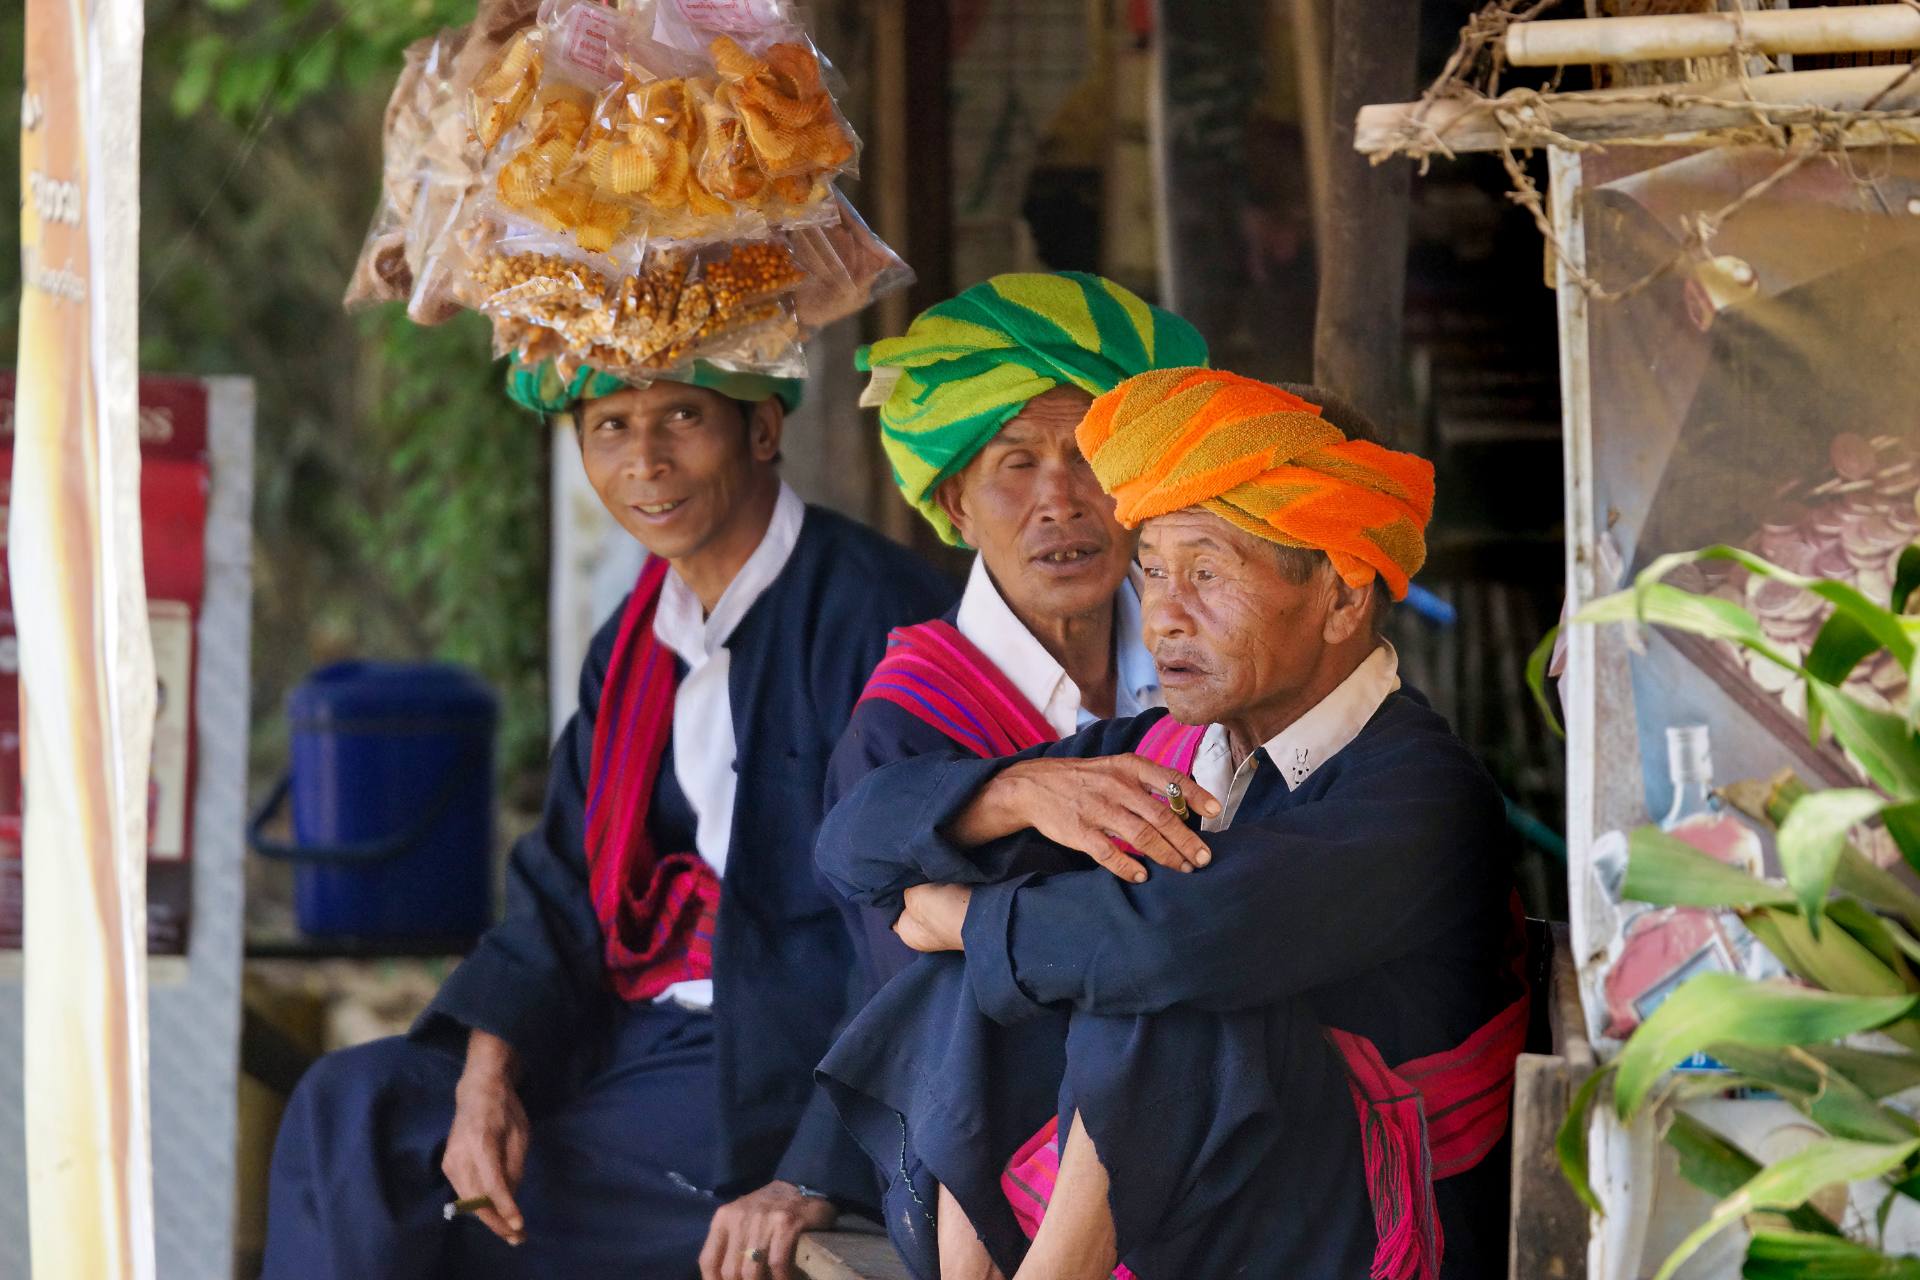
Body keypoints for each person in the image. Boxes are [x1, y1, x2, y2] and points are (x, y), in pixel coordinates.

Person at [814, 370, 1525, 1280]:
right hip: (1213, 1226)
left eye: (1207, 573)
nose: (1162, 618)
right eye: (1151, 571)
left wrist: (961, 917)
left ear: (1343, 597)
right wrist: (1020, 793)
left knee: (1170, 983)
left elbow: (1179, 943)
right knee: (1019, 961)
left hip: (1369, 1239)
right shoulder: (1168, 751)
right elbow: (850, 844)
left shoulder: (1422, 792)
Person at [264, 359, 955, 1280]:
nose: (646, 461)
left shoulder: (872, 614)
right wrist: (486, 1077)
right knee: (354, 1111)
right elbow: (562, 882)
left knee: (482, 1216)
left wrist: (812, 1170)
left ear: (761, 429)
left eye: (682, 417)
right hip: (626, 1031)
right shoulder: (634, 640)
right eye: (611, 426)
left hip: (785, 1059)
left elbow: (910, 933)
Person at [829, 271, 1208, 985]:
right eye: (1017, 463)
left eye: (1091, 455)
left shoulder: (1215, 653)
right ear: (957, 506)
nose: (1060, 501)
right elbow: (927, 1001)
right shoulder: (905, 722)